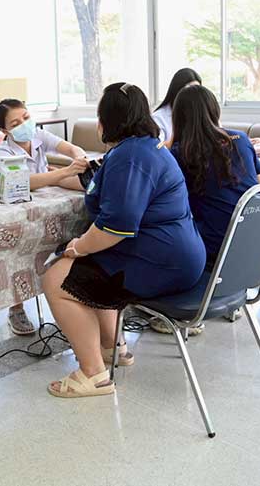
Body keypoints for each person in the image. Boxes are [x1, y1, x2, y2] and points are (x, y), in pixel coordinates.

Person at [41, 83, 206, 398]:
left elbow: (115, 228)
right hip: (179, 256)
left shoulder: (130, 157)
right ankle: (113, 348)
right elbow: (101, 187)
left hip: (164, 263)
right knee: (95, 266)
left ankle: (93, 374)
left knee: (57, 278)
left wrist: (77, 247)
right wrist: (56, 178)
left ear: (107, 120)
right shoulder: (144, 147)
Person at [0, 98, 89, 335]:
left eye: (26, 117)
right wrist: (62, 173)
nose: (24, 124)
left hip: (45, 207)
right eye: (15, 123)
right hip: (18, 211)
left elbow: (68, 148)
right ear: (4, 130)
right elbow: (25, 181)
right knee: (17, 254)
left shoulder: (38, 136)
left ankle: (72, 297)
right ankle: (16, 308)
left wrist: (79, 157)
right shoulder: (3, 152)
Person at [171, 84, 260, 266]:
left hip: (216, 246)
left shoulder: (180, 153)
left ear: (178, 117)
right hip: (257, 240)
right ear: (215, 110)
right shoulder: (241, 139)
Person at [152, 68, 203, 143]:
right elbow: (157, 147)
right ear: (177, 90)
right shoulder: (159, 118)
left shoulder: (201, 114)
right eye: (189, 90)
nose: (193, 95)